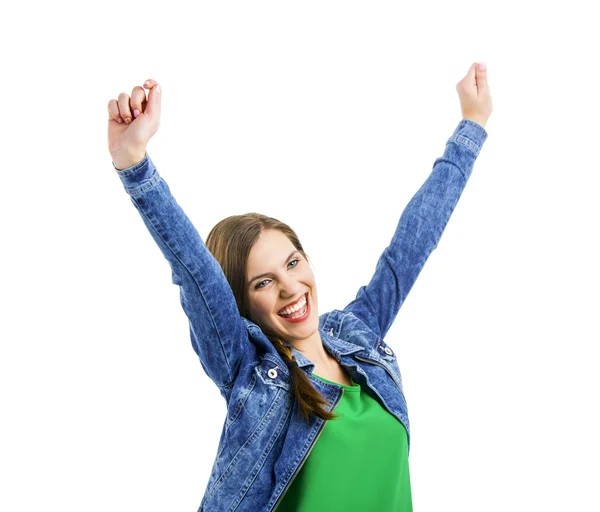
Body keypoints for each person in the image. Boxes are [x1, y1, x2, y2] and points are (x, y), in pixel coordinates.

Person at [106, 61, 492, 512]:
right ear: (240, 303)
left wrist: (472, 125)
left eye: (293, 263)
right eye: (264, 282)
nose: (291, 287)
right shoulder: (253, 373)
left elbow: (412, 244)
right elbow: (196, 273)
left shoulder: (357, 337)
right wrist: (135, 166)